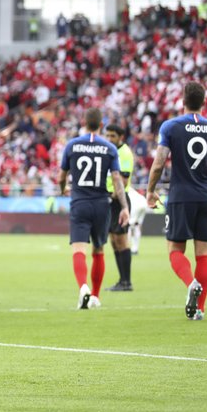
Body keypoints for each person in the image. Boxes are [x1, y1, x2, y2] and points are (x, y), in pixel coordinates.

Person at [146, 82, 207, 321]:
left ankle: (191, 283)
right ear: (204, 102)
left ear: (183, 100)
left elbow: (159, 163)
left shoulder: (171, 127)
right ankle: (199, 309)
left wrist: (150, 190)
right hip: (206, 197)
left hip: (181, 197)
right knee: (203, 254)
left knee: (174, 250)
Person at [58, 108, 129, 310]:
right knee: (98, 249)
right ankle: (96, 296)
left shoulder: (72, 146)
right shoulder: (109, 148)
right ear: (101, 125)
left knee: (79, 249)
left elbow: (61, 177)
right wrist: (124, 207)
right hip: (101, 204)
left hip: (79, 202)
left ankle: (83, 288)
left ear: (84, 122)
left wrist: (64, 189)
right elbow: (117, 179)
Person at [104, 125, 135, 292]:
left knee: (121, 240)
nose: (109, 139)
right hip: (109, 200)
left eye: (113, 136)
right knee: (114, 241)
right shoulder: (110, 151)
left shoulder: (124, 153)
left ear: (120, 137)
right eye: (107, 135)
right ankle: (121, 281)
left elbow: (122, 181)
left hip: (119, 201)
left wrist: (113, 196)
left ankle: (127, 282)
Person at [127, 188, 147, 254]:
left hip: (135, 205)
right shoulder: (133, 192)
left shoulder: (126, 191)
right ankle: (135, 249)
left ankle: (127, 247)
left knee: (129, 226)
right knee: (137, 225)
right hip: (144, 202)